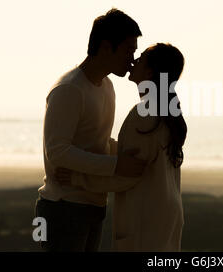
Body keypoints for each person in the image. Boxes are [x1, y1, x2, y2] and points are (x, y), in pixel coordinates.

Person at [55, 43, 187, 251]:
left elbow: (128, 175)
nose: (134, 60)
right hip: (167, 214)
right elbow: (140, 158)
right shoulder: (168, 114)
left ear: (150, 71)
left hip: (146, 216)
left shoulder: (144, 116)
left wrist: (77, 178)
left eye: (141, 57)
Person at [34, 8, 147, 252]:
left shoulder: (107, 86)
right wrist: (117, 165)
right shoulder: (69, 89)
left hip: (93, 204)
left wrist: (133, 156)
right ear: (106, 47)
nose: (133, 59)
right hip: (63, 208)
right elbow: (57, 151)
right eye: (129, 50)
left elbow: (98, 140)